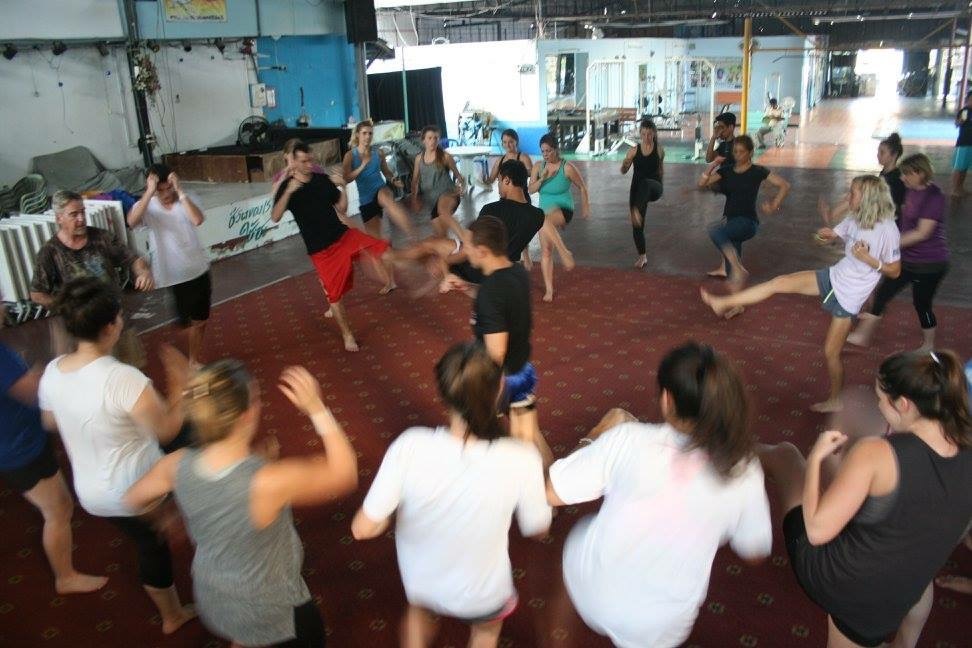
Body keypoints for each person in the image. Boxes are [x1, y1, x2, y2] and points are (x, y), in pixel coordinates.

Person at [545, 342, 772, 647]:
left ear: (667, 400)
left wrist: (597, 434)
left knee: (579, 540)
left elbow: (551, 493)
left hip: (594, 594)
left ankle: (557, 636)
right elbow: (755, 551)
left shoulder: (627, 439)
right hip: (664, 622)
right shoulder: (744, 469)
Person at [126, 361, 358, 647]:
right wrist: (317, 408)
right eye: (257, 398)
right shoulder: (267, 481)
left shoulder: (175, 464)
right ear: (246, 416)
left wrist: (166, 517)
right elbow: (345, 474)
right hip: (272, 610)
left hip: (212, 594)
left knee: (245, 637)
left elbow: (132, 498)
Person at [758, 349, 972, 648]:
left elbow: (816, 531)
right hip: (914, 577)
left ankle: (725, 454)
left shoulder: (876, 452)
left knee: (787, 456)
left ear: (903, 404)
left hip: (853, 592)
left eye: (881, 399)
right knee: (919, 577)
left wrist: (816, 459)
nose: (879, 407)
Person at [352, 341, 552, 648]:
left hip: (421, 584)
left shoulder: (409, 446)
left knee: (418, 615)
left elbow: (362, 529)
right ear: (499, 389)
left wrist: (388, 517)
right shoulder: (522, 458)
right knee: (485, 632)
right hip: (483, 595)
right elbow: (537, 528)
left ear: (444, 394)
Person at [36, 277, 194, 635]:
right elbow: (166, 430)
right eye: (119, 315)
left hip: (91, 495)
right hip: (137, 489)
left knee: (143, 536)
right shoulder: (123, 378)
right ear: (111, 327)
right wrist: (182, 386)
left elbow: (49, 421)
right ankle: (173, 616)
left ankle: (167, 519)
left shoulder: (53, 372)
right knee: (152, 545)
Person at [702, 175, 901, 413]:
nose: (848, 197)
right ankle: (723, 302)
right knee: (778, 283)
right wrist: (825, 236)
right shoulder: (855, 218)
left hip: (849, 298)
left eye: (853, 193)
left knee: (831, 353)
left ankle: (836, 400)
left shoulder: (888, 229)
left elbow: (895, 270)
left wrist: (869, 259)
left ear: (867, 197)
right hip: (834, 277)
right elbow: (828, 238)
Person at [0, 342, 107, 595]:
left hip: (20, 438)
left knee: (58, 505)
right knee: (58, 509)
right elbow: (33, 391)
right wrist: (61, 361)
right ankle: (65, 578)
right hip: (19, 448)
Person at [274, 141, 394, 352]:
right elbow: (275, 216)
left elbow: (342, 208)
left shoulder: (320, 179)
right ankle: (347, 334)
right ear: (293, 161)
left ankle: (406, 269)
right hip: (320, 249)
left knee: (381, 249)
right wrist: (288, 191)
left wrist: (342, 186)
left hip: (342, 235)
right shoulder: (286, 185)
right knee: (334, 295)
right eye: (303, 161)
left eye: (310, 160)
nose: (309, 164)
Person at [30, 190, 155, 365]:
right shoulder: (50, 252)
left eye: (83, 212)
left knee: (132, 369)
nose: (81, 218)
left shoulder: (101, 238)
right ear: (59, 218)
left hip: (115, 321)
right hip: (82, 334)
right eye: (74, 214)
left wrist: (143, 272)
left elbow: (133, 259)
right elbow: (37, 294)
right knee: (94, 374)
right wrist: (67, 306)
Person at [847, 154, 949, 352]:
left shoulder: (934, 196)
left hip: (930, 264)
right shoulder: (910, 191)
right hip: (907, 259)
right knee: (883, 293)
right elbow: (899, 221)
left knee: (922, 304)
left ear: (920, 173)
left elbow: (922, 233)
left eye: (906, 174)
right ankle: (863, 335)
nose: (902, 178)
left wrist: (888, 246)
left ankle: (928, 345)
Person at [401, 160, 544, 291]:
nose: (498, 186)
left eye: (499, 181)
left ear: (507, 180)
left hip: (474, 271)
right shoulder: (538, 216)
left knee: (430, 244)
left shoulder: (492, 209)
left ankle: (395, 258)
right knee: (436, 245)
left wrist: (444, 261)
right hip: (502, 273)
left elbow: (469, 248)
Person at [127, 163, 212, 367]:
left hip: (198, 269)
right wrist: (149, 192)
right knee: (184, 324)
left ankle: (193, 360)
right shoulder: (148, 206)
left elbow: (197, 219)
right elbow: (132, 221)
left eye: (169, 188)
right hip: (173, 275)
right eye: (161, 190)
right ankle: (184, 357)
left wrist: (180, 191)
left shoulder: (186, 199)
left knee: (201, 320)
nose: (166, 194)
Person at [697, 135, 790, 289]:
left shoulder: (757, 171)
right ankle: (734, 285)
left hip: (748, 222)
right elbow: (702, 183)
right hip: (731, 222)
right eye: (735, 152)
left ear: (750, 152)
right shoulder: (726, 171)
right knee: (731, 273)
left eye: (741, 152)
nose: (737, 155)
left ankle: (738, 268)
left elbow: (784, 185)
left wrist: (774, 205)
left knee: (715, 231)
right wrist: (713, 165)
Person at [530, 133, 591, 302]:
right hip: (544, 213)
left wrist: (586, 206)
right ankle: (549, 289)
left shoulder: (567, 168)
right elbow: (531, 190)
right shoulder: (538, 167)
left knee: (542, 220)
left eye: (548, 151)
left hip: (563, 209)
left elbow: (582, 187)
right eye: (543, 151)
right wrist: (542, 179)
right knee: (546, 250)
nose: (545, 154)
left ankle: (564, 252)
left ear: (556, 150)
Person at [342, 120, 414, 240]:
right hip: (366, 199)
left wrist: (393, 179)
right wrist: (362, 166)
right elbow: (347, 178)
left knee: (388, 200)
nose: (368, 136)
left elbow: (386, 172)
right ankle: (389, 244)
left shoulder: (378, 153)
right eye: (364, 133)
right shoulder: (350, 156)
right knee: (377, 241)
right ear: (357, 135)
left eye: (370, 133)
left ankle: (412, 236)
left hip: (380, 189)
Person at [821, 133, 905, 223]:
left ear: (894, 155)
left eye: (882, 152)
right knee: (856, 194)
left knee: (858, 194)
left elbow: (889, 202)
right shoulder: (885, 173)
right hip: (881, 209)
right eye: (878, 152)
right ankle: (833, 214)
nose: (878, 155)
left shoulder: (895, 179)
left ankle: (833, 215)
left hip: (888, 215)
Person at [620, 117, 664, 268]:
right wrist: (625, 164)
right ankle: (642, 256)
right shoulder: (633, 151)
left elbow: (661, 169)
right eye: (643, 134)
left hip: (654, 187)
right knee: (637, 225)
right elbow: (623, 171)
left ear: (654, 134)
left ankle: (636, 210)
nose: (646, 137)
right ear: (640, 134)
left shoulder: (659, 150)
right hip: (638, 191)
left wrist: (661, 185)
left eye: (649, 134)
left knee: (646, 183)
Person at [410, 125, 464, 237]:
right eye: (430, 138)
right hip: (431, 201)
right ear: (423, 140)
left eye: (436, 138)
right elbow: (415, 181)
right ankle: (455, 245)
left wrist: (461, 186)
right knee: (441, 236)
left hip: (448, 193)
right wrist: (414, 199)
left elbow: (458, 176)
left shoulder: (445, 156)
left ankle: (465, 237)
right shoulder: (419, 159)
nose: (433, 141)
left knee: (442, 210)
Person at [951, 90, 972, 197]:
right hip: (963, 143)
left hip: (970, 143)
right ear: (967, 100)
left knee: (964, 167)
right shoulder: (965, 111)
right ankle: (955, 189)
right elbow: (957, 124)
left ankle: (960, 187)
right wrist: (961, 121)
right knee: (959, 167)